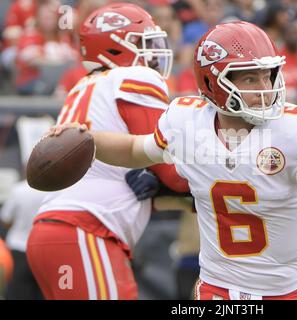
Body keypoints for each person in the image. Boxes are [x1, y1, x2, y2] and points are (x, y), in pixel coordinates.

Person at [49, 21, 297, 300]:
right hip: (218, 290)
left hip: (287, 292)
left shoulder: (295, 127)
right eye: (250, 77)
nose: (264, 86)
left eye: (268, 75)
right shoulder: (186, 122)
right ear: (212, 82)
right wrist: (85, 138)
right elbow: (136, 149)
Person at [26, 3, 187, 300]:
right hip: (87, 230)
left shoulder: (81, 87)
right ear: (114, 48)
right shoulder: (136, 78)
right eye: (143, 42)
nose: (152, 52)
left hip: (54, 229)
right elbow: (170, 170)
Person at [0, 180, 45, 300]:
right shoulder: (55, 190)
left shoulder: (18, 189)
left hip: (18, 249)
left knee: (17, 293)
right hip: (43, 249)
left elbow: (5, 218)